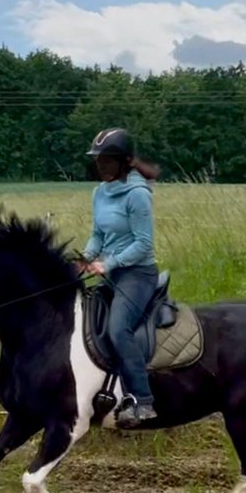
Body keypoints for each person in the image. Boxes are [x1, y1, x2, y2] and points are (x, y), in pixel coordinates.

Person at [79, 127, 162, 429]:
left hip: (137, 274)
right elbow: (98, 234)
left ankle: (143, 400)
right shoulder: (99, 192)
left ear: (125, 162)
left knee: (118, 330)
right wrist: (86, 257)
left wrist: (108, 263)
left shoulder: (138, 195)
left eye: (107, 160)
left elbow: (143, 244)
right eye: (97, 159)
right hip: (111, 272)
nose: (100, 165)